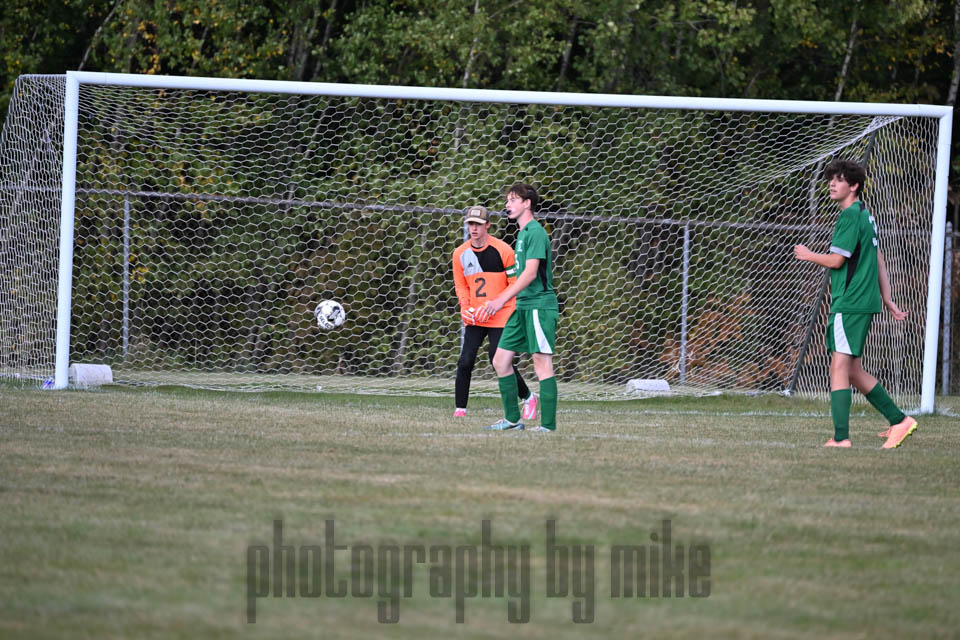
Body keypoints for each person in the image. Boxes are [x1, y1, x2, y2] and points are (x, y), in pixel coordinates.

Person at [793, 159, 916, 449]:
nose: (832, 184)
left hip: (850, 302)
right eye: (830, 180)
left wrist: (809, 254)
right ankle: (898, 420)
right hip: (863, 300)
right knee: (851, 370)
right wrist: (886, 298)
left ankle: (840, 438)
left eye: (838, 180)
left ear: (854, 185)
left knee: (838, 367)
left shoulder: (849, 216)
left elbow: (837, 260)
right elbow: (880, 260)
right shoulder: (865, 215)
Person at [475, 183, 559, 433]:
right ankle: (513, 420)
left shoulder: (535, 232)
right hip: (522, 306)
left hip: (539, 307)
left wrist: (500, 300)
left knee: (541, 362)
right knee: (500, 360)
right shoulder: (522, 233)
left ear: (527, 203)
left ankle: (548, 426)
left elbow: (531, 274)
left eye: (513, 200)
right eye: (507, 200)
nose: (507, 204)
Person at [452, 205, 538, 420]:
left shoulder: (503, 251)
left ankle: (528, 398)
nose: (474, 228)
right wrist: (465, 307)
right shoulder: (460, 254)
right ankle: (460, 409)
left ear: (487, 225)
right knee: (465, 360)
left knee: (497, 359)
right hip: (476, 316)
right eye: (471, 224)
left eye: (479, 224)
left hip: (502, 313)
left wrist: (498, 304)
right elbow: (461, 285)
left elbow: (515, 283)